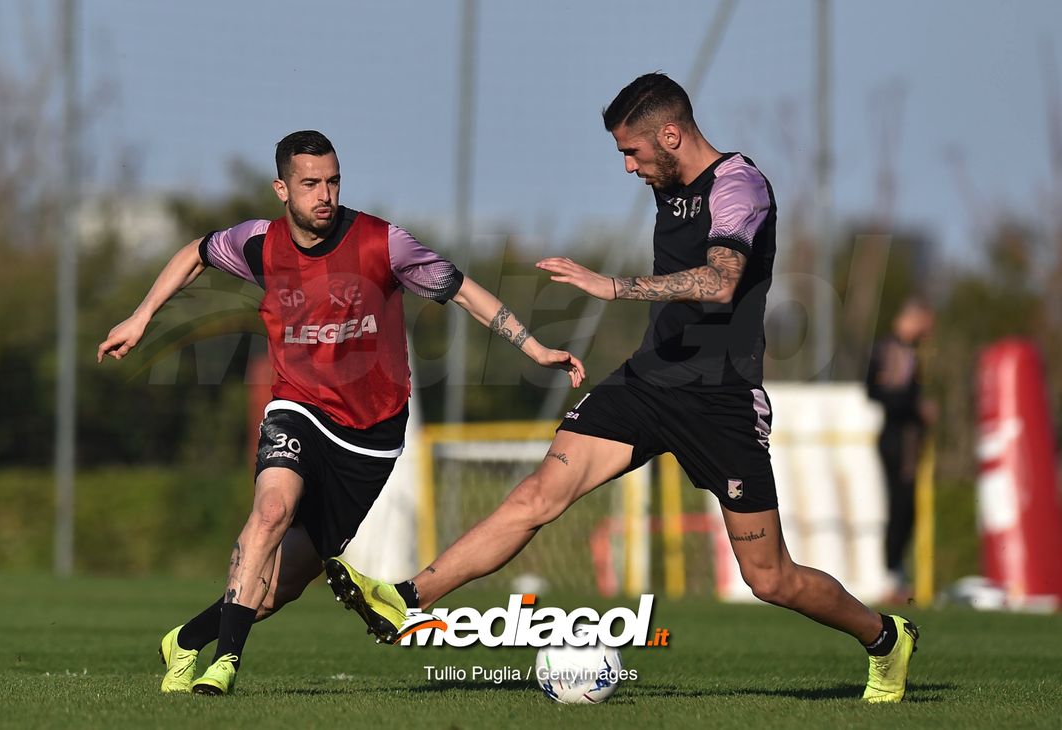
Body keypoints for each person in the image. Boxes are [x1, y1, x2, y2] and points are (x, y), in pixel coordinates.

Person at [330, 74, 920, 703]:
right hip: (647, 380)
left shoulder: (739, 186)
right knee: (538, 494)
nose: (629, 166)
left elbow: (722, 280)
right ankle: (406, 600)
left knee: (771, 579)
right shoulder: (670, 184)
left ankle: (886, 638)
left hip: (721, 400)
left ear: (672, 134)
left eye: (632, 152)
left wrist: (615, 286)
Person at [96, 130, 585, 696]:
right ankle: (222, 665)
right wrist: (140, 317)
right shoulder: (258, 243)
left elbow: (466, 292)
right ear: (282, 189)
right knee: (272, 509)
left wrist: (535, 349)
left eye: (332, 181)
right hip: (298, 405)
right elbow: (195, 254)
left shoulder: (384, 243)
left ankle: (184, 641)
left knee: (282, 586)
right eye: (309, 184)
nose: (324, 195)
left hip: (372, 434)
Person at [866, 298, 935, 603]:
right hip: (898, 437)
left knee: (907, 507)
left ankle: (898, 573)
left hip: (904, 436)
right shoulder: (892, 350)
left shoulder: (911, 352)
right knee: (901, 506)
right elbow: (878, 392)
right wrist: (917, 408)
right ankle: (893, 575)